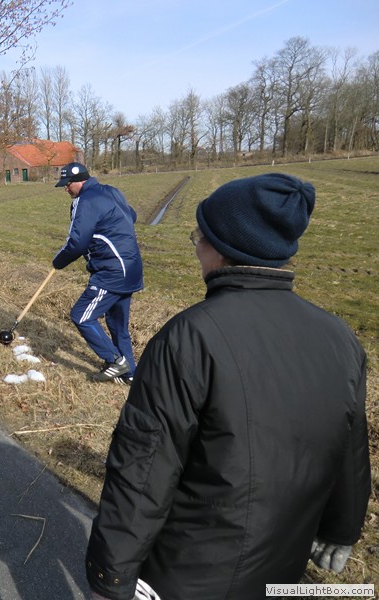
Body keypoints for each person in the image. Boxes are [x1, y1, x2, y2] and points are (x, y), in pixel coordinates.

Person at [85, 173, 370, 600]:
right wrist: (343, 528)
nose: (196, 247)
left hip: (188, 573)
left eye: (200, 236)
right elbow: (350, 445)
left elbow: (144, 468)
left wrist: (111, 573)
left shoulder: (188, 338)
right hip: (281, 564)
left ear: (222, 247)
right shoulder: (340, 338)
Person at [52, 162, 143, 384]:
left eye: (68, 184)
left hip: (111, 271)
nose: (66, 189)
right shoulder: (111, 191)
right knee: (117, 325)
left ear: (79, 181)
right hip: (131, 268)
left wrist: (58, 262)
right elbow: (131, 215)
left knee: (81, 315)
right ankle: (130, 375)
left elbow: (77, 243)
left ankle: (115, 361)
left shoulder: (85, 200)